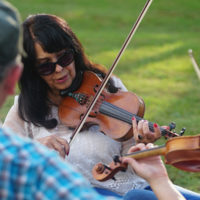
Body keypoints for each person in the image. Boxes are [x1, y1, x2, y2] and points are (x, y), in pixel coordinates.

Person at [2, 12, 199, 200]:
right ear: (32, 72)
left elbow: (132, 163)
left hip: (134, 187)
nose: (60, 69)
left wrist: (139, 142)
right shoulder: (24, 110)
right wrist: (35, 149)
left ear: (74, 52)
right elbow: (5, 165)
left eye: (64, 58)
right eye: (46, 66)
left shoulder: (107, 87)